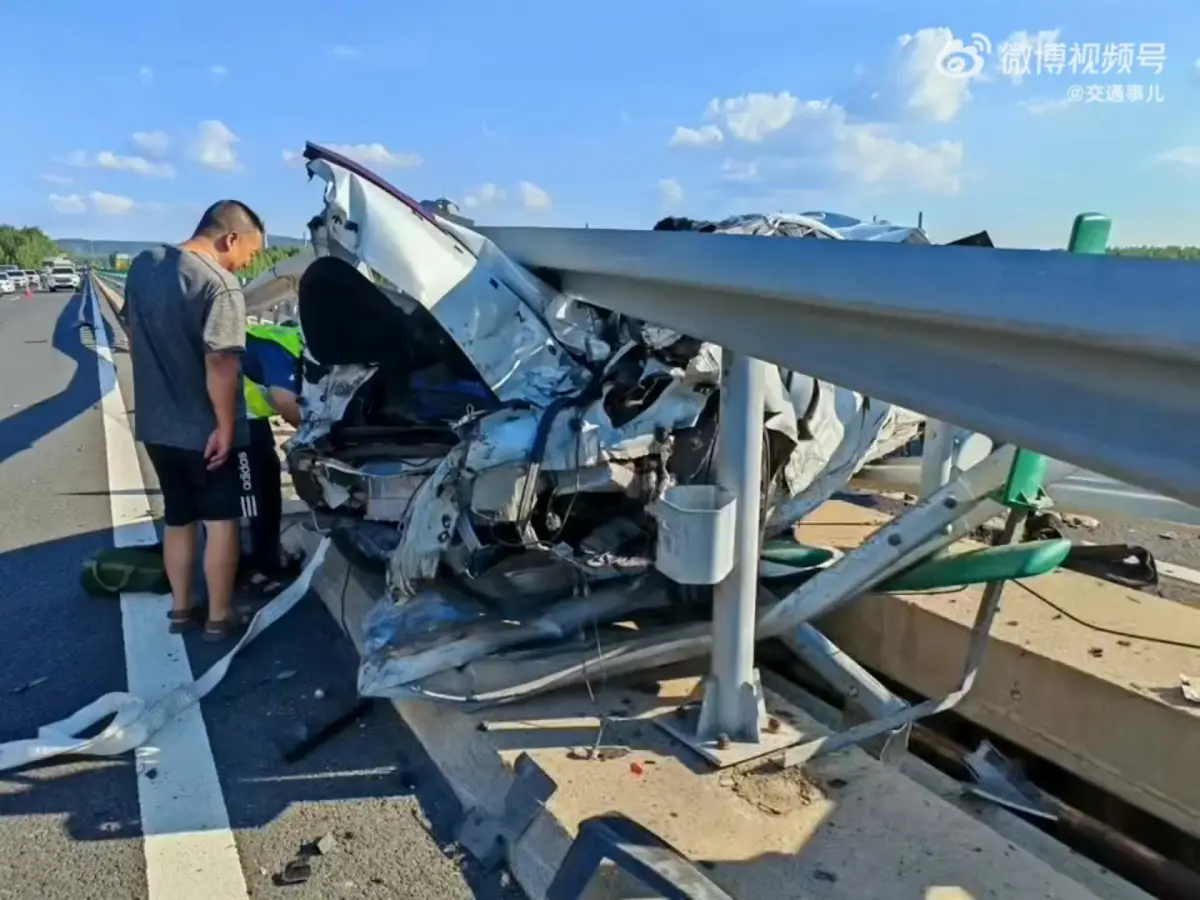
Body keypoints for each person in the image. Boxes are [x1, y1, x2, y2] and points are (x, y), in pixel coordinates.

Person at [122, 200, 264, 641]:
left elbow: (133, 329)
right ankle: (219, 617)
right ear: (230, 238)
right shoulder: (220, 285)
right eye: (251, 254)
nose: (246, 264)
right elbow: (221, 362)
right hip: (205, 434)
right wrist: (224, 426)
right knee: (221, 521)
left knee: (178, 517)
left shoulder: (144, 266)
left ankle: (181, 610)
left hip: (155, 425)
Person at [239, 320, 304, 597]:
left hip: (252, 420)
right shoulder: (285, 349)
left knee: (267, 489)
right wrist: (317, 433)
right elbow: (285, 400)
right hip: (235, 423)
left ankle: (268, 559)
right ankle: (251, 571)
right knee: (250, 498)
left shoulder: (286, 340)